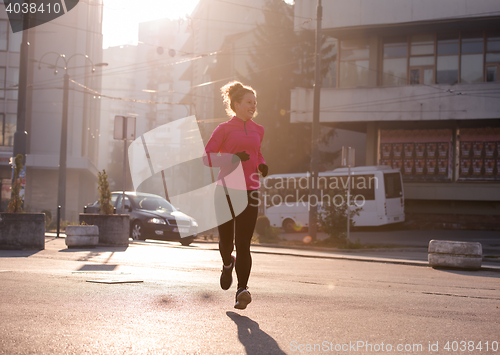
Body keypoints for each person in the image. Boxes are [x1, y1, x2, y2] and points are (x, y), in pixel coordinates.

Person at [204, 81, 268, 310]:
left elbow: (257, 153)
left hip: (250, 191)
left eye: (255, 102)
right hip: (226, 191)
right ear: (237, 104)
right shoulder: (223, 129)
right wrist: (232, 158)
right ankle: (226, 263)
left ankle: (242, 289)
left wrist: (261, 165)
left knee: (244, 243)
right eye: (249, 102)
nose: (253, 105)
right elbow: (207, 157)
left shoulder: (258, 129)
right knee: (226, 242)